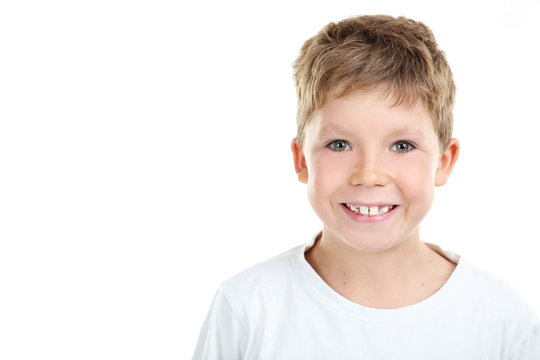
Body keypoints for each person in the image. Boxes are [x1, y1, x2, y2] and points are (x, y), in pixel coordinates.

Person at [193, 15, 540, 359]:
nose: (369, 174)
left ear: (444, 161)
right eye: (340, 144)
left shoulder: (502, 322)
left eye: (402, 146)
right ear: (301, 160)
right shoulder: (247, 308)